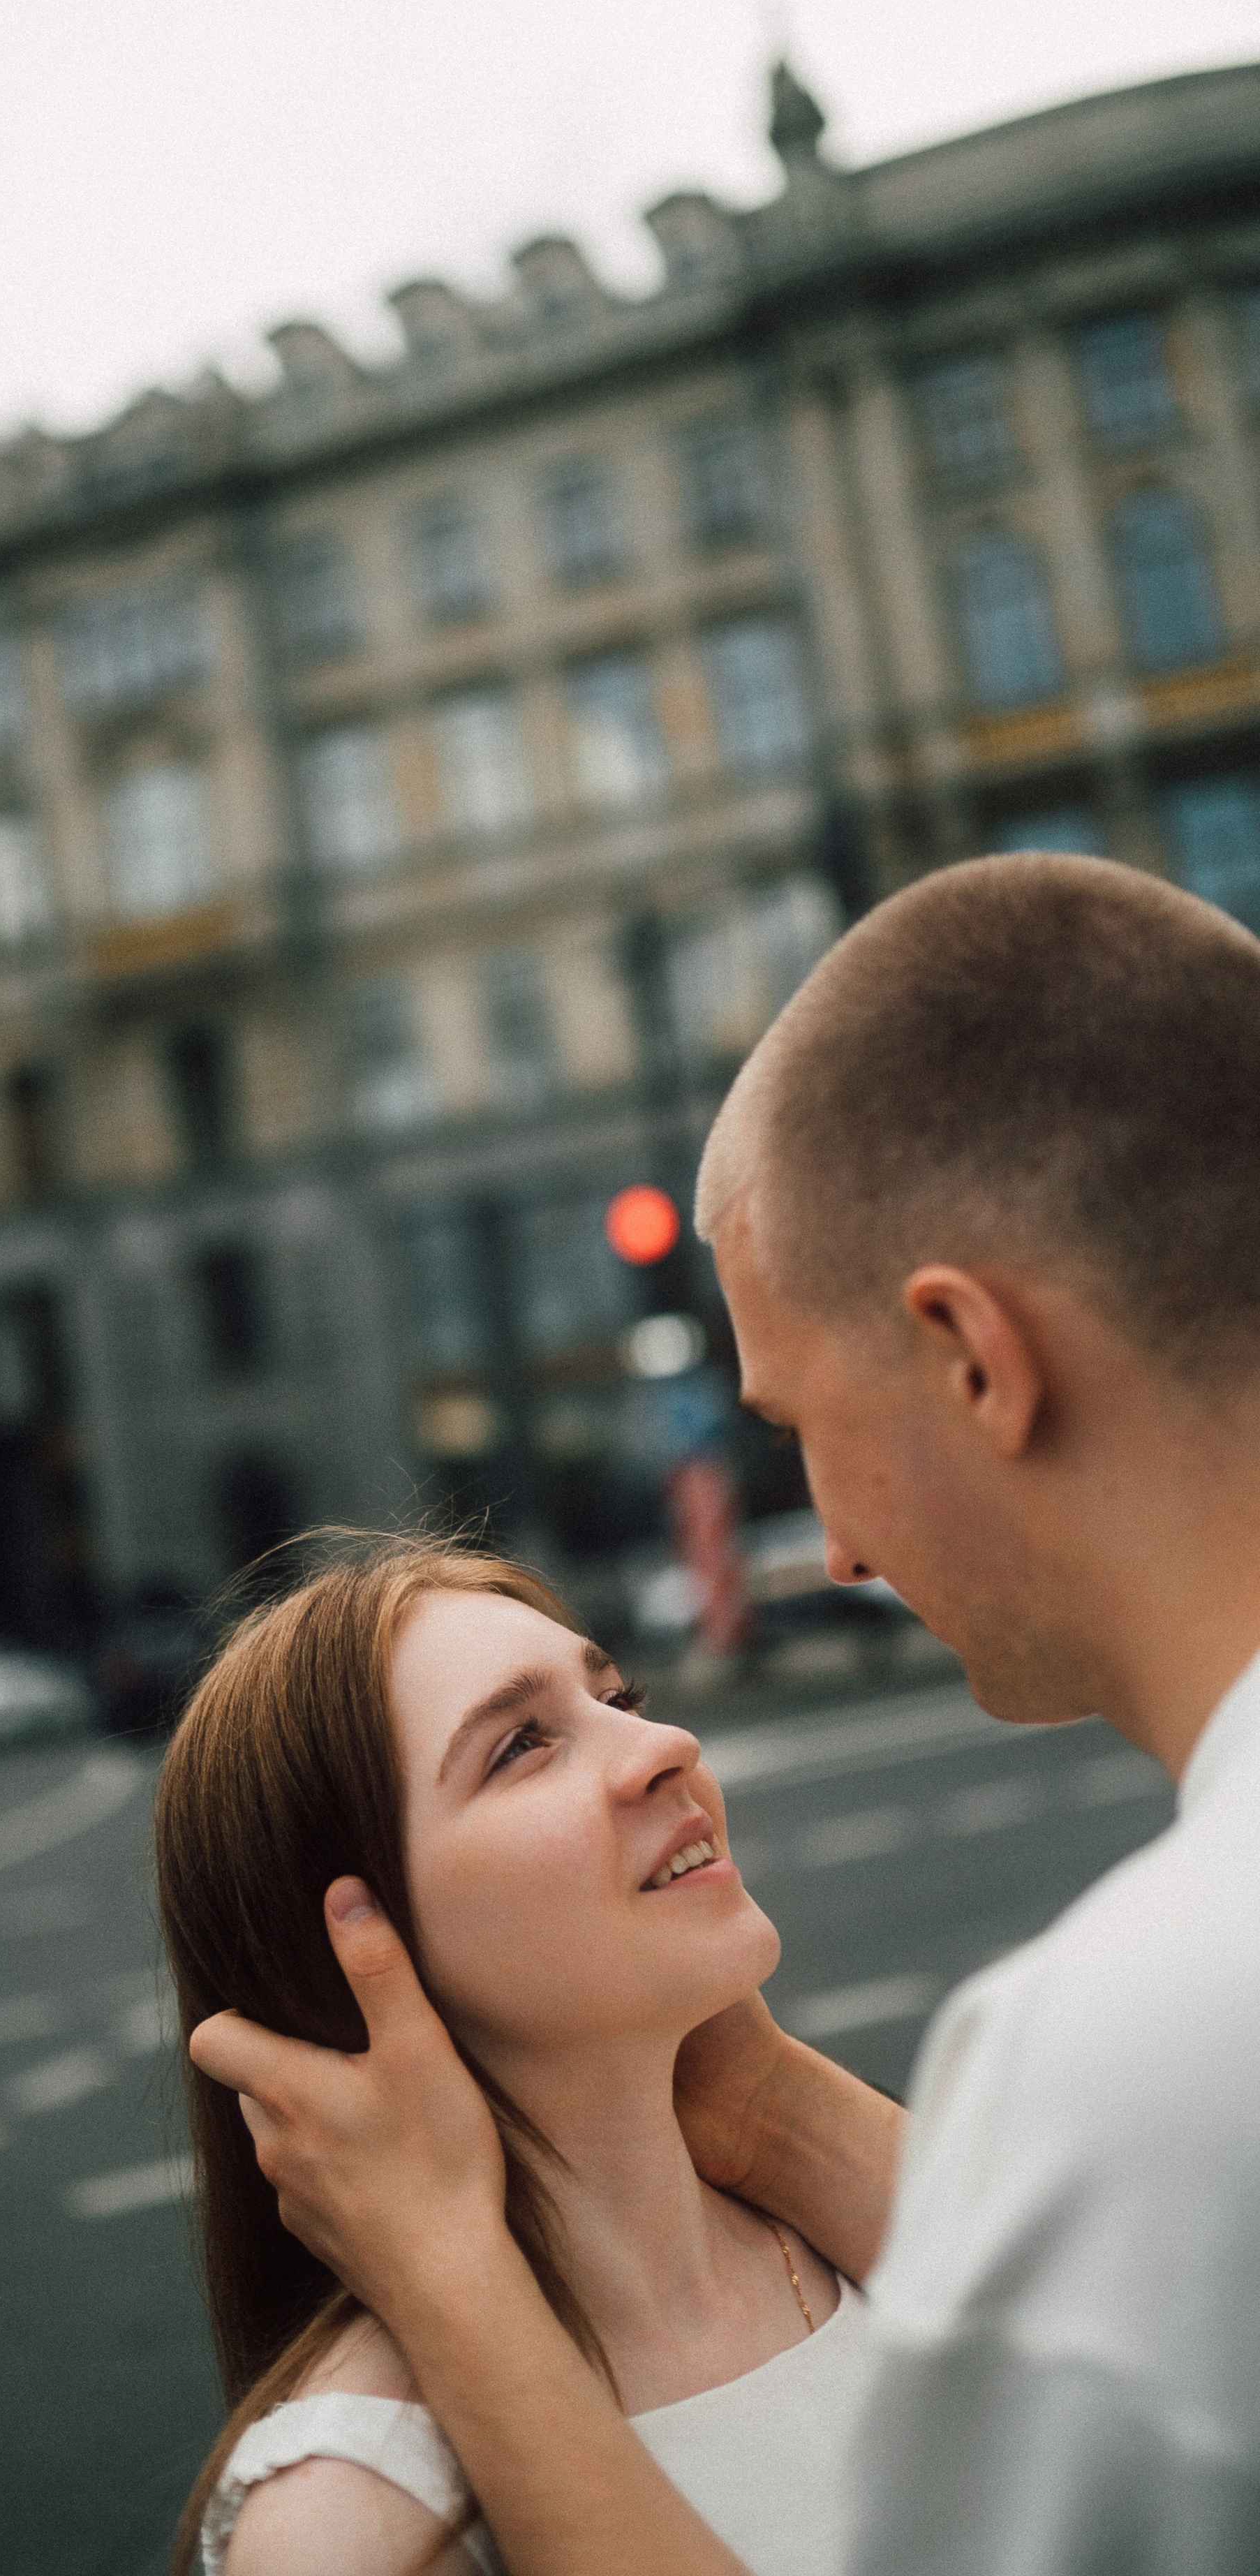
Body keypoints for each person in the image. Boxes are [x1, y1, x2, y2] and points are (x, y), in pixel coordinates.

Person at [191, 853, 1260, 2575]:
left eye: (799, 1421)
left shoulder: (1134, 2051)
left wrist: (461, 2282)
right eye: (527, 1737)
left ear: (972, 1357)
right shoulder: (350, 2507)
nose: (825, 1542)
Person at [157, 1535, 890, 2576]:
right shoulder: (358, 2515)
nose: (667, 1743)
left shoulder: (860, 2218)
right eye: (521, 1746)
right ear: (352, 1949)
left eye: (620, 1701)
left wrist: (772, 2104)